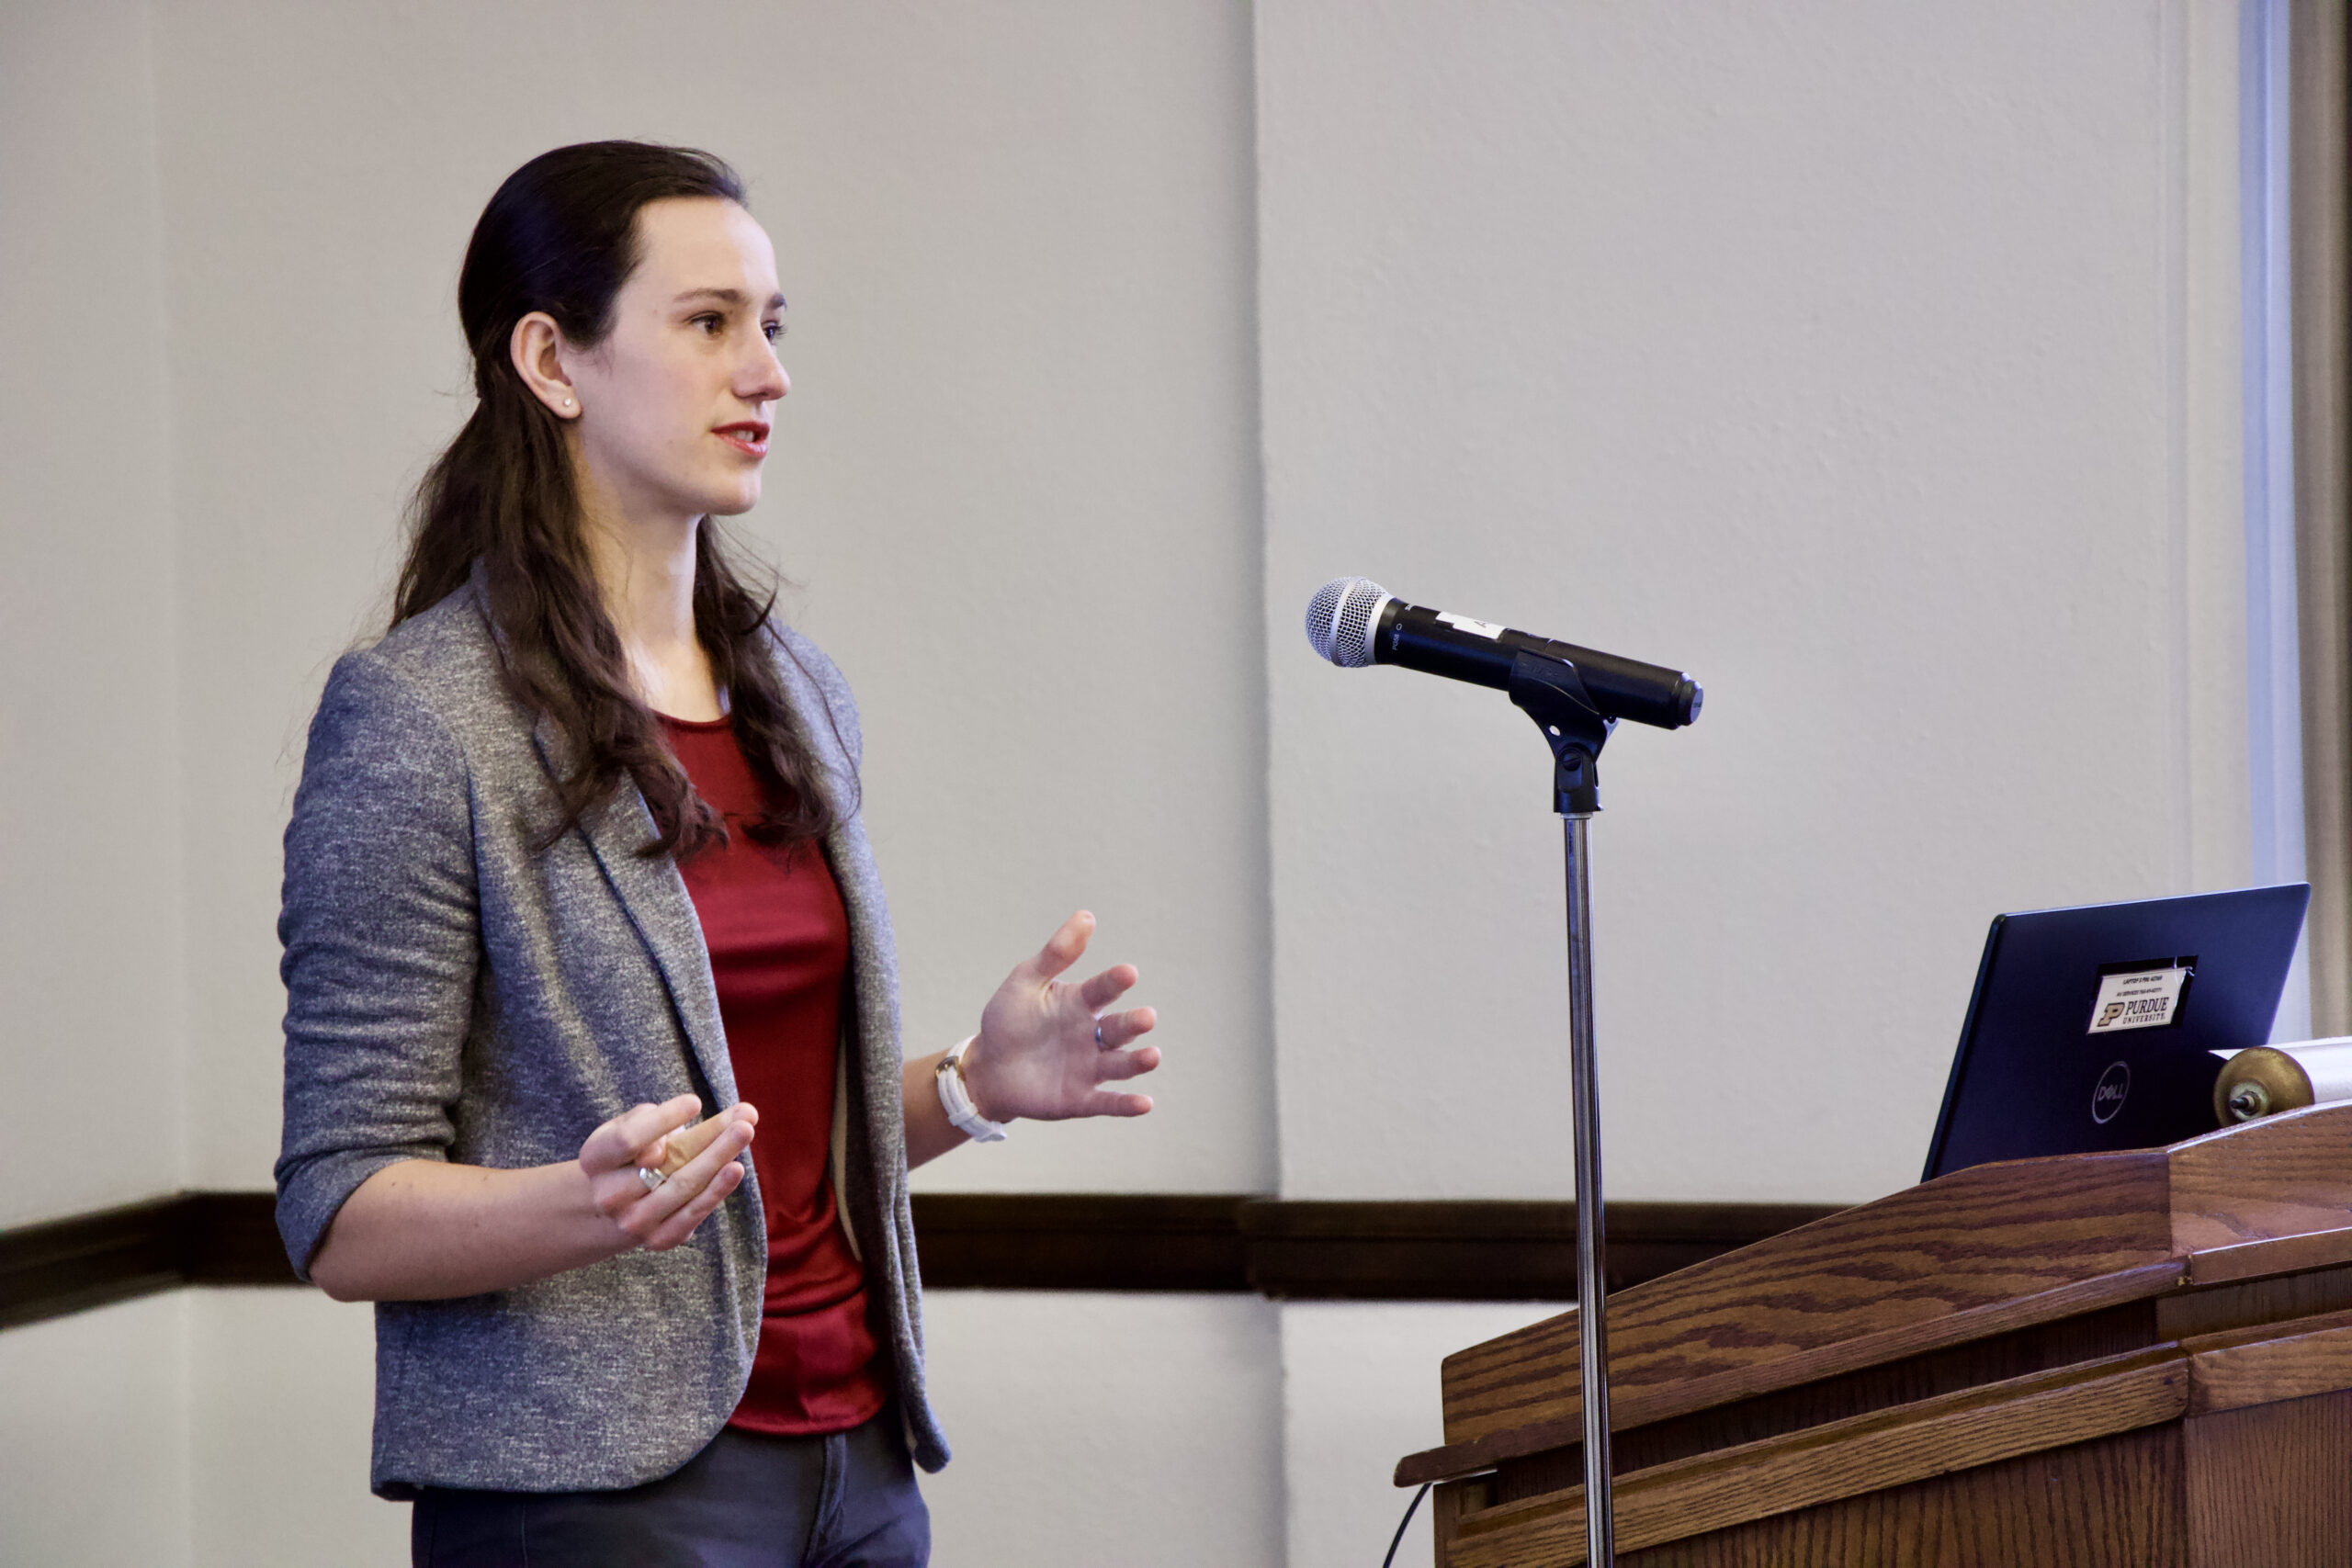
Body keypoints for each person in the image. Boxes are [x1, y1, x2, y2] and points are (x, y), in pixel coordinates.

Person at [273, 141, 1161, 1568]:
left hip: (860, 1465)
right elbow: (338, 1206)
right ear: (553, 361)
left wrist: (973, 1090)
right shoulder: (417, 719)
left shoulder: (797, 691)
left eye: (772, 325)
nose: (768, 374)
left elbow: (765, 1150)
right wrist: (585, 1207)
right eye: (709, 324)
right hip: (590, 1501)